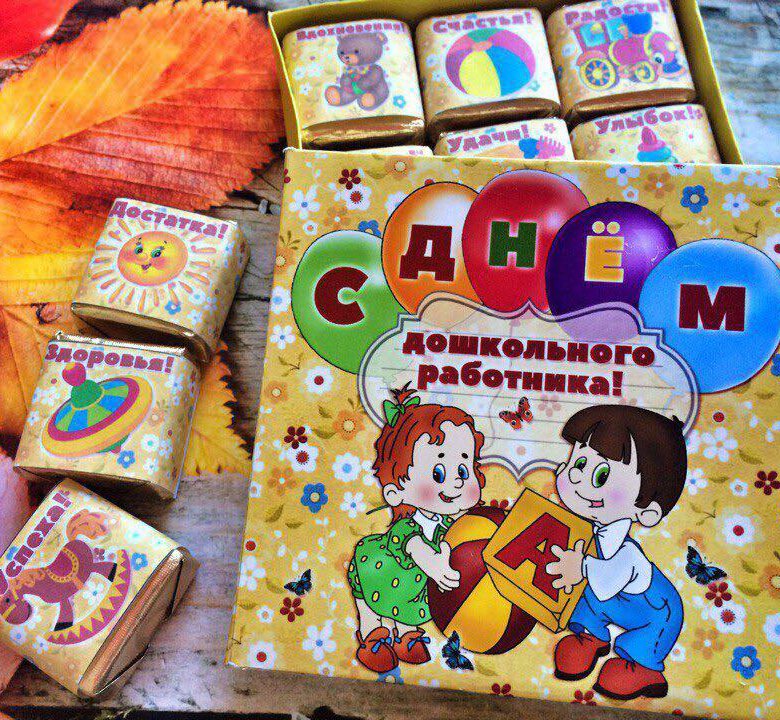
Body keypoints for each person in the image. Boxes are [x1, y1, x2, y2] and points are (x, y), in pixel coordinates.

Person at [546, 404, 687, 700]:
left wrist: (581, 566)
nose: (576, 479)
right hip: (612, 602)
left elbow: (606, 580)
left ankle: (645, 669)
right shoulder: (590, 532)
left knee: (646, 636)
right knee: (587, 601)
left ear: (647, 512)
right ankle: (591, 637)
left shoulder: (629, 555)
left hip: (654, 614)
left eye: (600, 476)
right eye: (578, 464)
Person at [347, 386, 485, 673]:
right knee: (372, 607)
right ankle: (371, 635)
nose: (457, 482)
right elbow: (413, 545)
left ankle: (406, 635)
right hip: (381, 572)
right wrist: (431, 561)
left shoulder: (451, 525)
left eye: (463, 470)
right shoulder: (406, 526)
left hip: (415, 585)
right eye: (438, 473)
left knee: (409, 604)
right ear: (395, 491)